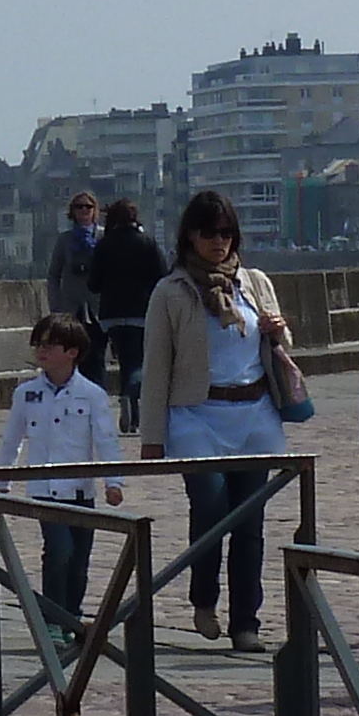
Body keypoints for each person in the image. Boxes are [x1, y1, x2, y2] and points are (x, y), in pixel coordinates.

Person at [132, 189, 288, 654]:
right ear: (190, 236)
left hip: (253, 411)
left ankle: (247, 622)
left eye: (226, 233)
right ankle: (204, 597)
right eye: (208, 233)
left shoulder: (254, 282)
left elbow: (279, 343)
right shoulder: (172, 291)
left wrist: (278, 330)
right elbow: (156, 365)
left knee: (250, 521)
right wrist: (151, 437)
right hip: (197, 414)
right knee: (211, 506)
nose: (218, 242)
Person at [0, 313, 125, 628]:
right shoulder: (26, 393)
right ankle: (52, 619)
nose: (42, 351)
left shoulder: (91, 394)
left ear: (72, 352)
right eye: (39, 344)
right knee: (59, 551)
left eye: (51, 345)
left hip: (80, 490)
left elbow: (105, 439)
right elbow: (12, 439)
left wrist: (114, 481)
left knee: (79, 561)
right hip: (44, 490)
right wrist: (3, 481)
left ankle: (73, 617)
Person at [86, 197, 164, 428]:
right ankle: (132, 396)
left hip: (111, 314)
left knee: (123, 359)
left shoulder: (104, 244)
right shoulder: (148, 242)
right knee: (137, 360)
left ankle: (127, 398)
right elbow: (162, 276)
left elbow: (94, 284)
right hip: (141, 312)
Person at [43, 190, 107, 381]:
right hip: (72, 307)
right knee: (73, 356)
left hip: (98, 306)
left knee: (97, 356)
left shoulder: (103, 237)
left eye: (88, 206)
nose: (84, 210)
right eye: (79, 206)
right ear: (73, 211)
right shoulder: (65, 239)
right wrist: (56, 307)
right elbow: (54, 274)